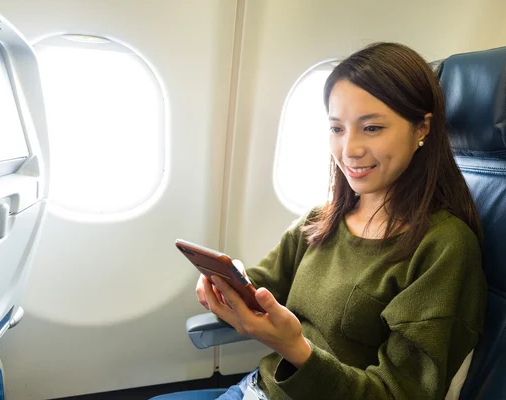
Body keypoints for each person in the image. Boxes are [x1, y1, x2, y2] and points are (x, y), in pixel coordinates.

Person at [196, 42, 487, 400]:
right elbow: (260, 289)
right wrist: (224, 287)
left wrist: (295, 349)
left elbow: (400, 394)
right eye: (337, 128)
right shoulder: (323, 219)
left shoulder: (443, 247)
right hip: (256, 389)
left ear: (422, 129)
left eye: (372, 128)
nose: (349, 149)